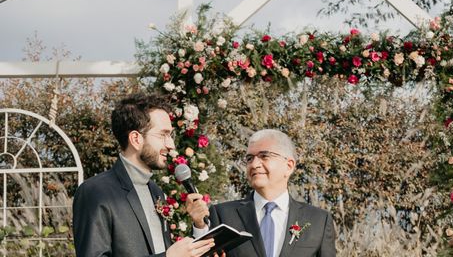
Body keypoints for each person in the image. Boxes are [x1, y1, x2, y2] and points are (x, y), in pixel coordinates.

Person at [72, 93, 217, 257]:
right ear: (135, 139)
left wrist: (198, 226)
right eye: (163, 135)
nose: (171, 145)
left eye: (170, 135)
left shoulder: (156, 191)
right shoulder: (94, 192)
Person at [186, 129, 336, 257]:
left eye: (264, 156)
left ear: (289, 166)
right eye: (250, 158)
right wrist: (200, 226)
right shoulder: (223, 214)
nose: (254, 164)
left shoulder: (319, 221)